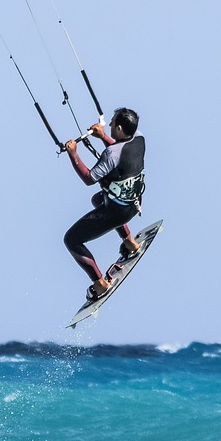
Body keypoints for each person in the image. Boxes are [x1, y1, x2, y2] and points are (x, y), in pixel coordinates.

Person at [63, 107, 145, 301]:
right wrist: (102, 136)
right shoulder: (139, 138)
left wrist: (73, 154)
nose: (109, 126)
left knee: (71, 240)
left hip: (118, 212)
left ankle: (100, 284)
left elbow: (89, 178)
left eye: (112, 124)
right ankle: (130, 243)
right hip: (135, 203)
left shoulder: (111, 154)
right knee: (98, 199)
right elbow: (120, 153)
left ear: (119, 128)